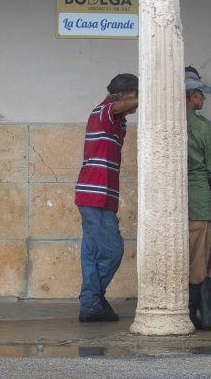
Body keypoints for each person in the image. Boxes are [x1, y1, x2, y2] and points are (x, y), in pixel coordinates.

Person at [74, 73, 138, 323]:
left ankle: (91, 303)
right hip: (96, 194)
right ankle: (91, 300)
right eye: (134, 95)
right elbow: (121, 105)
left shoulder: (115, 118)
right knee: (113, 250)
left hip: (95, 195)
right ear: (122, 95)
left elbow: (123, 108)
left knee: (90, 253)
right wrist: (153, 94)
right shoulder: (104, 111)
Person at [185, 67, 211, 329]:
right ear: (191, 96)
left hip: (178, 203)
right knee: (199, 262)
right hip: (201, 203)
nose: (203, 100)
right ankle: (193, 313)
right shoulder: (203, 127)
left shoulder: (168, 124)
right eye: (201, 96)